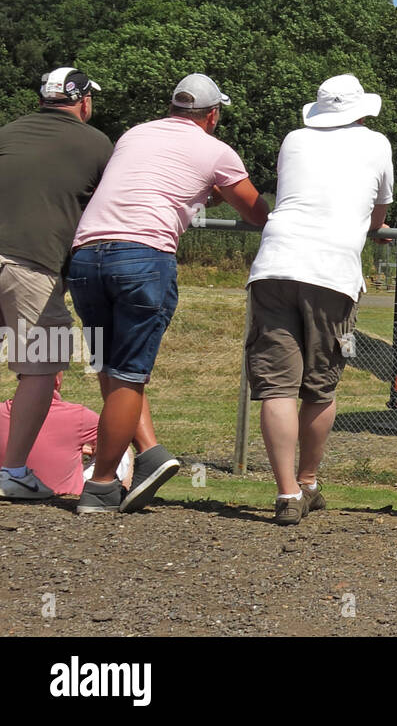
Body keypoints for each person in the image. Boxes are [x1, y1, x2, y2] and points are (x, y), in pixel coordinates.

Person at [67, 73, 269, 514]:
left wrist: (200, 193)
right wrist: (216, 191)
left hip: (85, 255)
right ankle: (101, 487)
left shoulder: (134, 134)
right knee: (129, 375)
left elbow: (152, 182)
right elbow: (255, 211)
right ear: (212, 114)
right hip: (142, 256)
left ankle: (151, 455)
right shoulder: (216, 150)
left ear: (173, 108)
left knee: (106, 363)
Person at [245, 74, 394, 525]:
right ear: (362, 112)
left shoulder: (293, 139)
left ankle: (286, 493)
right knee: (320, 384)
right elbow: (378, 213)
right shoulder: (376, 144)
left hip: (273, 263)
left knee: (277, 385)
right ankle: (308, 480)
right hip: (331, 272)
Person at [0, 68, 114, 501]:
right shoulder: (96, 143)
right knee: (43, 367)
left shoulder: (8, 132)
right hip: (32, 263)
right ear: (83, 101)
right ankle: (11, 471)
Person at [0, 372, 133, 496]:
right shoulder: (80, 415)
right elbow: (113, 441)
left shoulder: (2, 410)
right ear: (57, 381)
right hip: (66, 492)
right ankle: (122, 492)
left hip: (8, 484)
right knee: (123, 449)